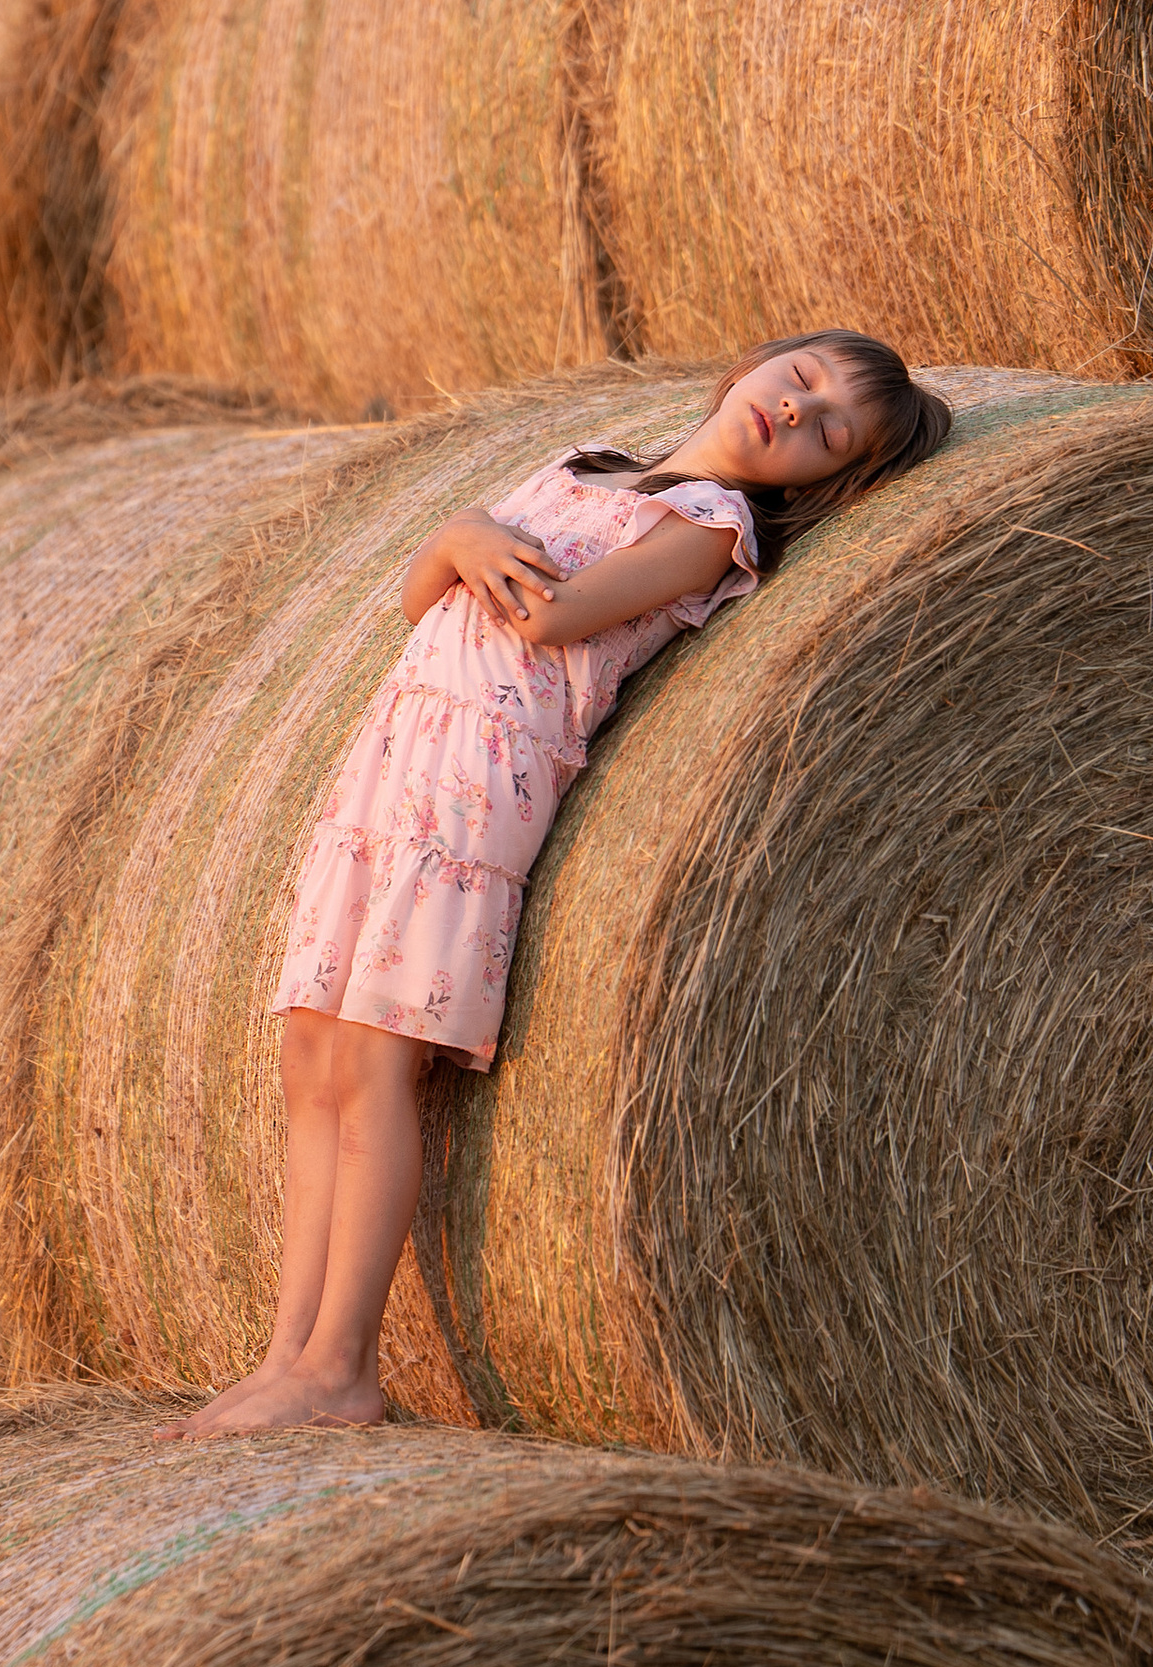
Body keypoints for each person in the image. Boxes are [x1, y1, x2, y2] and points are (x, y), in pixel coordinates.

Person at [160, 333, 951, 1438]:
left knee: (376, 1065)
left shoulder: (708, 528)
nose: (797, 413)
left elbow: (550, 615)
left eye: (830, 434)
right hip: (392, 761)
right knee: (312, 1054)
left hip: (474, 788)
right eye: (803, 379)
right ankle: (283, 1355)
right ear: (758, 364)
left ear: (825, 480)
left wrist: (466, 537)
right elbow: (421, 601)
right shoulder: (586, 467)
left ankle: (342, 1365)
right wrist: (457, 535)